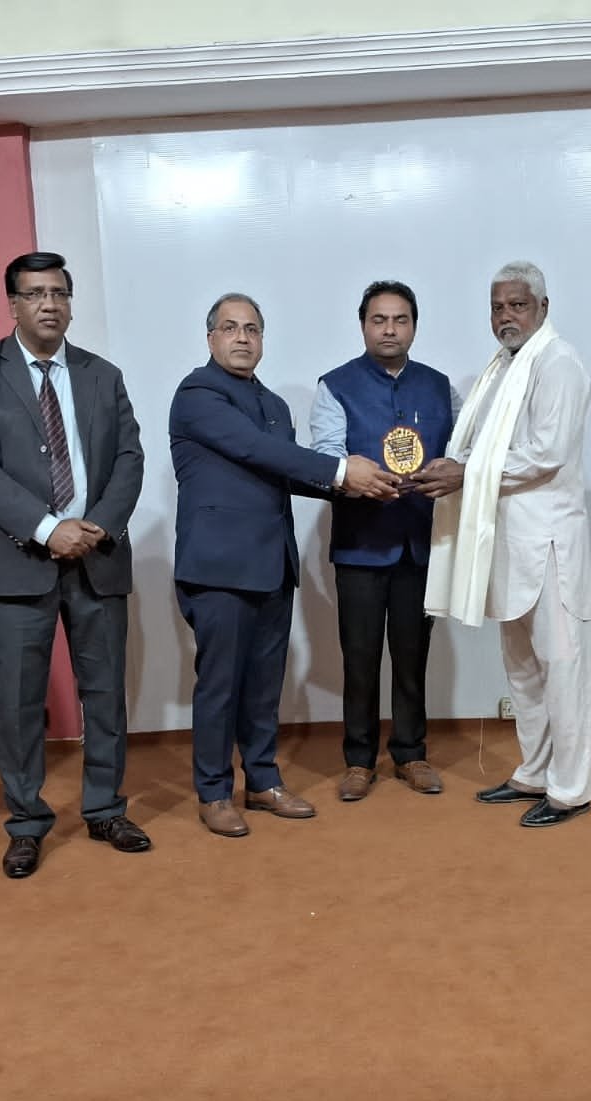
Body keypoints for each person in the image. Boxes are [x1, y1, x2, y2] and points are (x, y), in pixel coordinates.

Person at [0, 251, 147, 879]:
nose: (49, 304)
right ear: (13, 304)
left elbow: (130, 458)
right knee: (19, 702)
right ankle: (27, 823)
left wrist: (96, 527)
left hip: (97, 557)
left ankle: (105, 808)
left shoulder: (102, 374)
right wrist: (47, 528)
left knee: (105, 694)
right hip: (16, 562)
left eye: (59, 292)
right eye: (35, 294)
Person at [171, 292, 399, 837]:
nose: (242, 338)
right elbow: (258, 451)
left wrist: (360, 486)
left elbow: (289, 472)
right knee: (220, 685)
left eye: (252, 329)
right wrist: (342, 471)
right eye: (231, 328)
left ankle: (263, 780)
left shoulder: (273, 403)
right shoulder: (198, 394)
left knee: (264, 684)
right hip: (219, 568)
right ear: (210, 338)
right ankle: (214, 791)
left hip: (272, 563)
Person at [416, 261, 591, 828]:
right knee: (522, 669)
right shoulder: (503, 367)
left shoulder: (558, 363)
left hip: (549, 544)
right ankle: (535, 771)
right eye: (497, 307)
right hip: (506, 543)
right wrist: (458, 467)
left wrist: (464, 472)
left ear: (543, 307)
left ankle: (571, 788)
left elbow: (546, 453)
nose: (505, 317)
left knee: (561, 667)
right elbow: (486, 448)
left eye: (517, 305)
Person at [310, 281, 458, 802]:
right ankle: (358, 760)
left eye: (400, 319)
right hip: (361, 545)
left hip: (420, 543)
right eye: (379, 319)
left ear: (414, 326)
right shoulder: (335, 386)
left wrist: (453, 469)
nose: (389, 329)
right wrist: (352, 477)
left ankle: (411, 753)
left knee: (413, 656)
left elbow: (462, 449)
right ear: (363, 326)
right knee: (360, 657)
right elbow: (325, 457)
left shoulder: (441, 387)